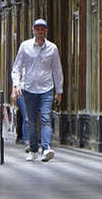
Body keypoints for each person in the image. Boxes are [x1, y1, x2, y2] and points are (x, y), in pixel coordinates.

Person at [11, 18, 63, 162]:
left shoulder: (52, 48)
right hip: (29, 89)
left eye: (42, 29)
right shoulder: (25, 46)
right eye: (37, 29)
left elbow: (57, 70)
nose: (40, 32)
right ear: (33, 30)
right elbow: (16, 67)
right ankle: (33, 149)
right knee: (32, 121)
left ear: (46, 31)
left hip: (46, 89)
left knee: (46, 118)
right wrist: (16, 85)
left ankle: (46, 148)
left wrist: (59, 91)